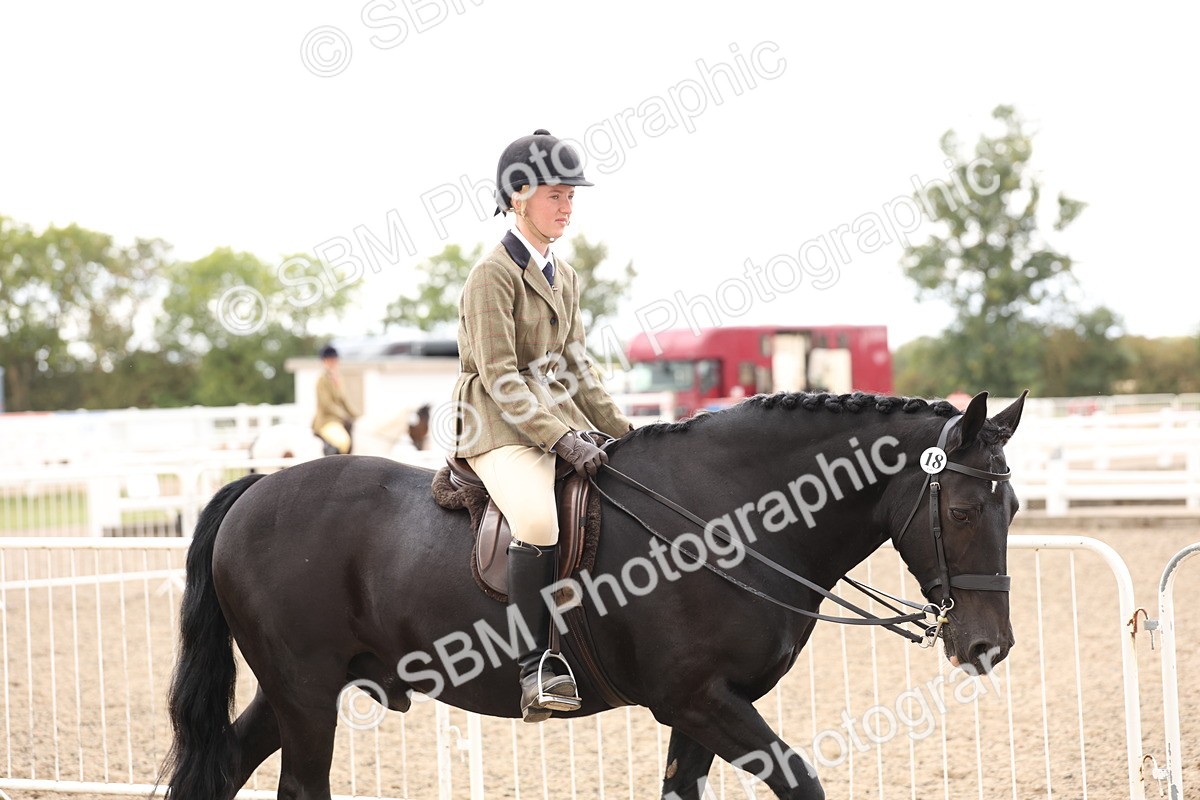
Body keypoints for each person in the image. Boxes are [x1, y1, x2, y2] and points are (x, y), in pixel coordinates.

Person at [452, 129, 635, 722]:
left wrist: (630, 436)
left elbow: (580, 369)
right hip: (497, 424)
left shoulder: (567, 276)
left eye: (571, 196)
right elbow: (501, 377)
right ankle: (536, 668)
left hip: (555, 412)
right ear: (518, 197)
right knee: (535, 517)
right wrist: (560, 438)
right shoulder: (492, 274)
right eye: (556, 195)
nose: (567, 206)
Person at [312, 344, 360, 455]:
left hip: (340, 421)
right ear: (325, 362)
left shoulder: (339, 379)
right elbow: (326, 404)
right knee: (343, 441)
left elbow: (345, 401)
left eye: (334, 360)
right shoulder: (321, 380)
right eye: (330, 360)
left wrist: (358, 416)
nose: (333, 363)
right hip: (327, 421)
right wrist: (343, 415)